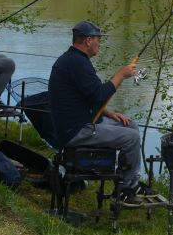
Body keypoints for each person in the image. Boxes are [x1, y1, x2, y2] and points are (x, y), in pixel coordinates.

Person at [48, 21, 154, 206]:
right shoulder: (77, 63)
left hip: (79, 121)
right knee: (131, 138)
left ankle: (129, 181)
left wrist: (110, 113)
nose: (100, 44)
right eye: (98, 39)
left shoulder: (74, 60)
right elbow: (98, 95)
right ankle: (125, 190)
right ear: (88, 40)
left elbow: (86, 96)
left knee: (130, 125)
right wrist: (120, 75)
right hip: (76, 130)